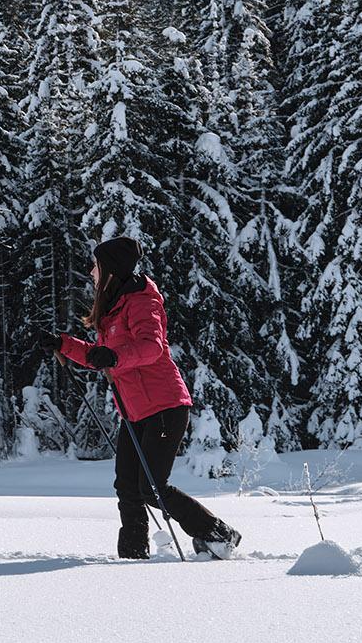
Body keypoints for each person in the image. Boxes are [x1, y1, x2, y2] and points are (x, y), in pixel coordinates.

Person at [60, 235, 243, 560]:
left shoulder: (142, 301)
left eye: (96, 265)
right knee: (127, 487)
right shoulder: (115, 307)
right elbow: (101, 355)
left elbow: (151, 347)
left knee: (153, 487)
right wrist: (62, 344)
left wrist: (114, 358)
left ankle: (220, 534)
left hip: (164, 406)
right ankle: (132, 555)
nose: (91, 271)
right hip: (135, 411)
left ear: (111, 269)